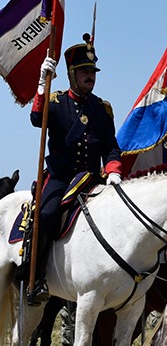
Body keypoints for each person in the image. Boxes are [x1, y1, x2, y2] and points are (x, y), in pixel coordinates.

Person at [26, 40, 122, 305]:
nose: (90, 76)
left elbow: (111, 146)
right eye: (84, 71)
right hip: (61, 178)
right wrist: (41, 86)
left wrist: (113, 171)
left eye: (92, 72)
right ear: (71, 75)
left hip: (92, 178)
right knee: (45, 214)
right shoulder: (56, 103)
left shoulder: (102, 110)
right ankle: (36, 277)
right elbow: (36, 120)